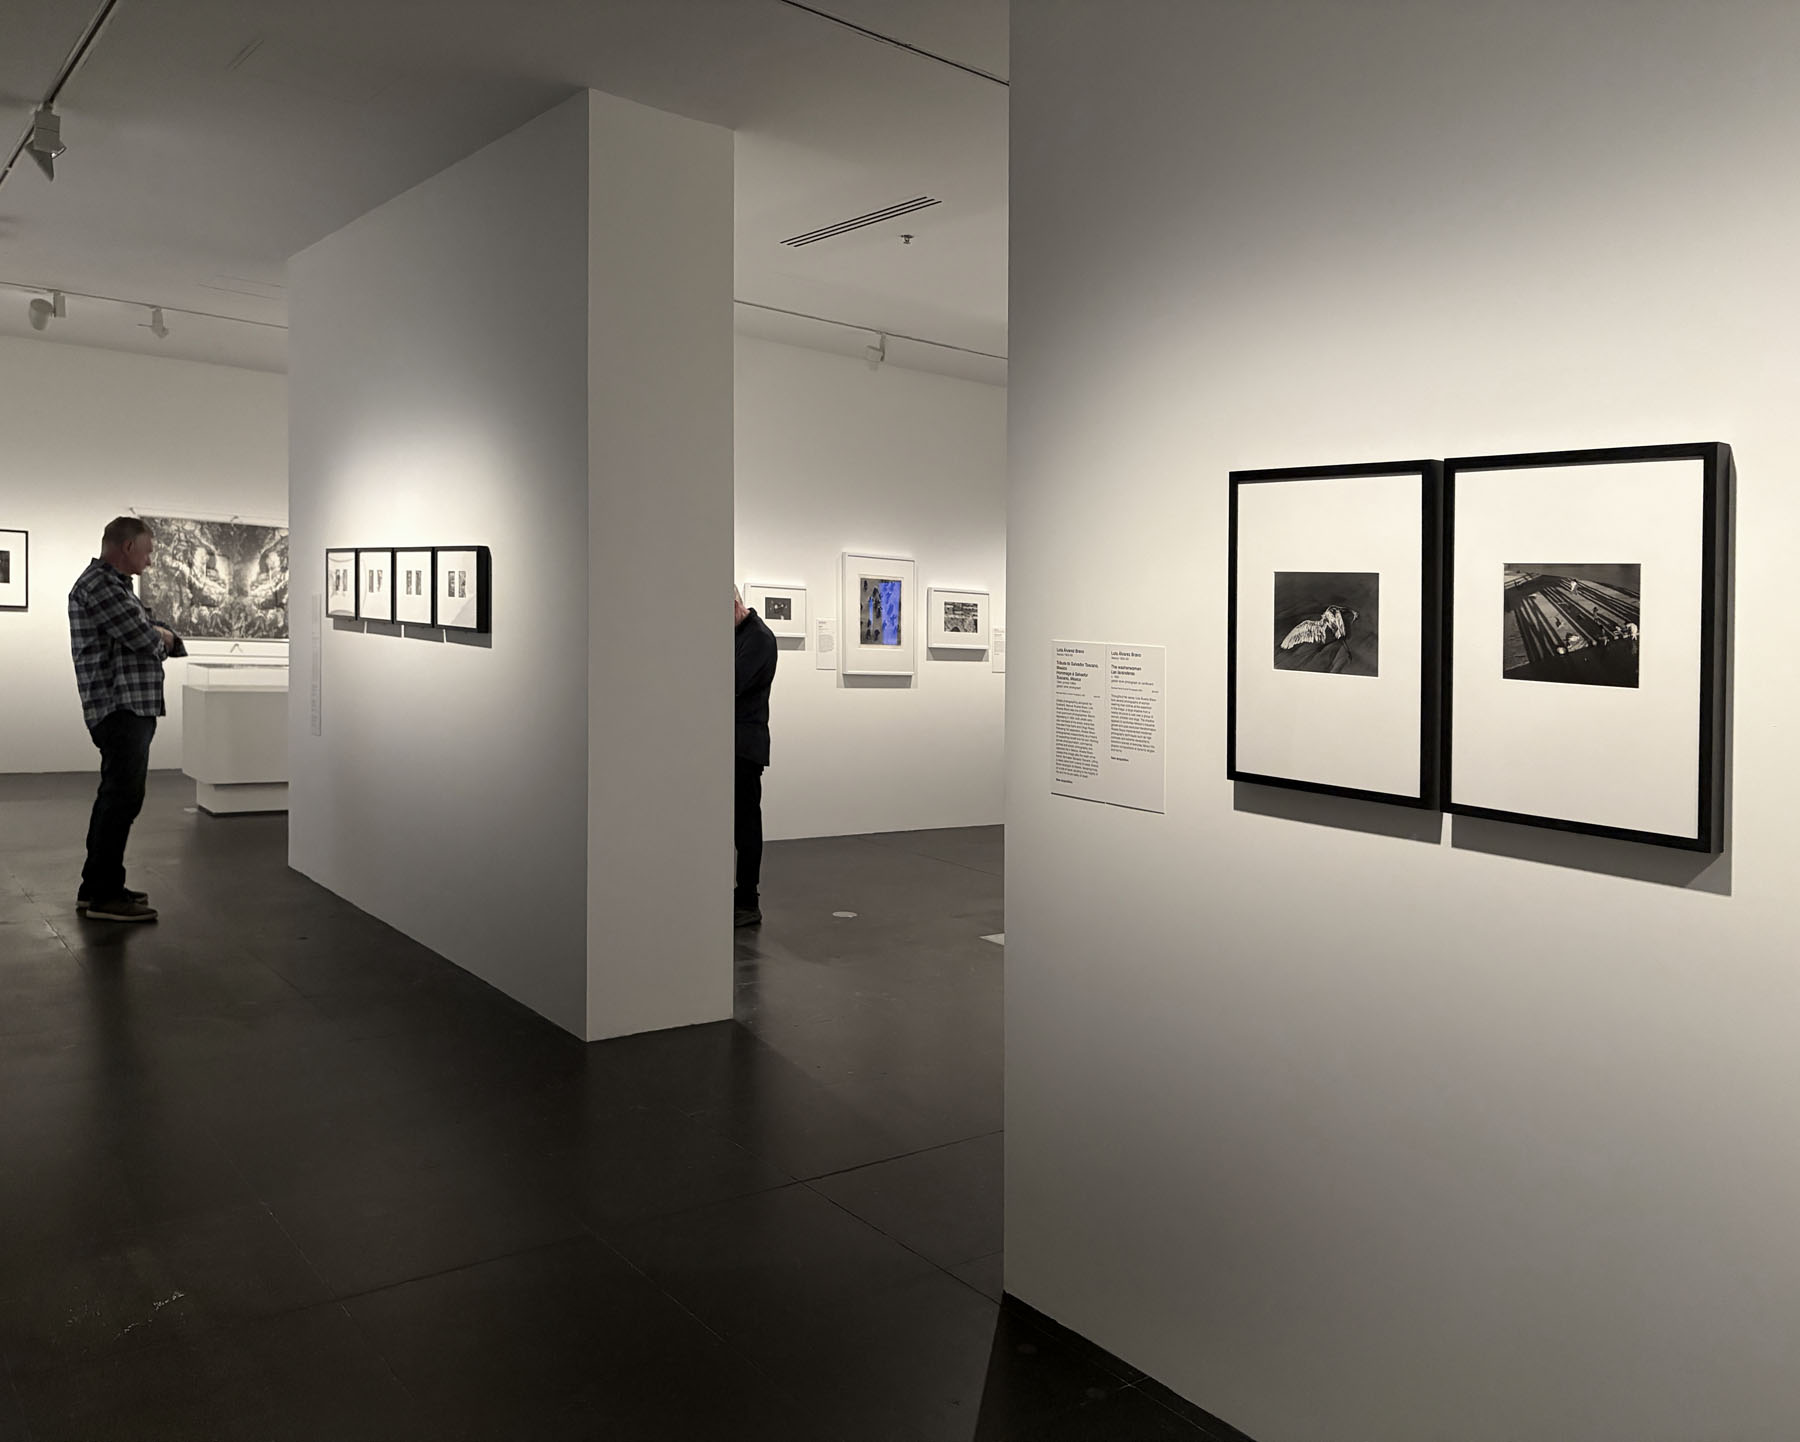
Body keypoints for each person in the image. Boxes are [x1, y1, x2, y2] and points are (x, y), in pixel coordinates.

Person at [68, 516, 187, 922]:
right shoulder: (100, 586)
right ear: (128, 547)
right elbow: (146, 637)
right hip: (119, 707)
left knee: (118, 796)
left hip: (129, 706)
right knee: (121, 798)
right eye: (149, 551)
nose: (151, 561)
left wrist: (159, 634)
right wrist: (160, 638)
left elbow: (153, 631)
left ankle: (99, 885)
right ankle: (104, 895)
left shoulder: (114, 587)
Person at [734, 584, 778, 928]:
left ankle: (748, 900)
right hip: (728, 744)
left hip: (744, 747)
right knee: (735, 823)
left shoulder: (759, 639)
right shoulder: (739, 635)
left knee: (746, 825)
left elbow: (729, 683)